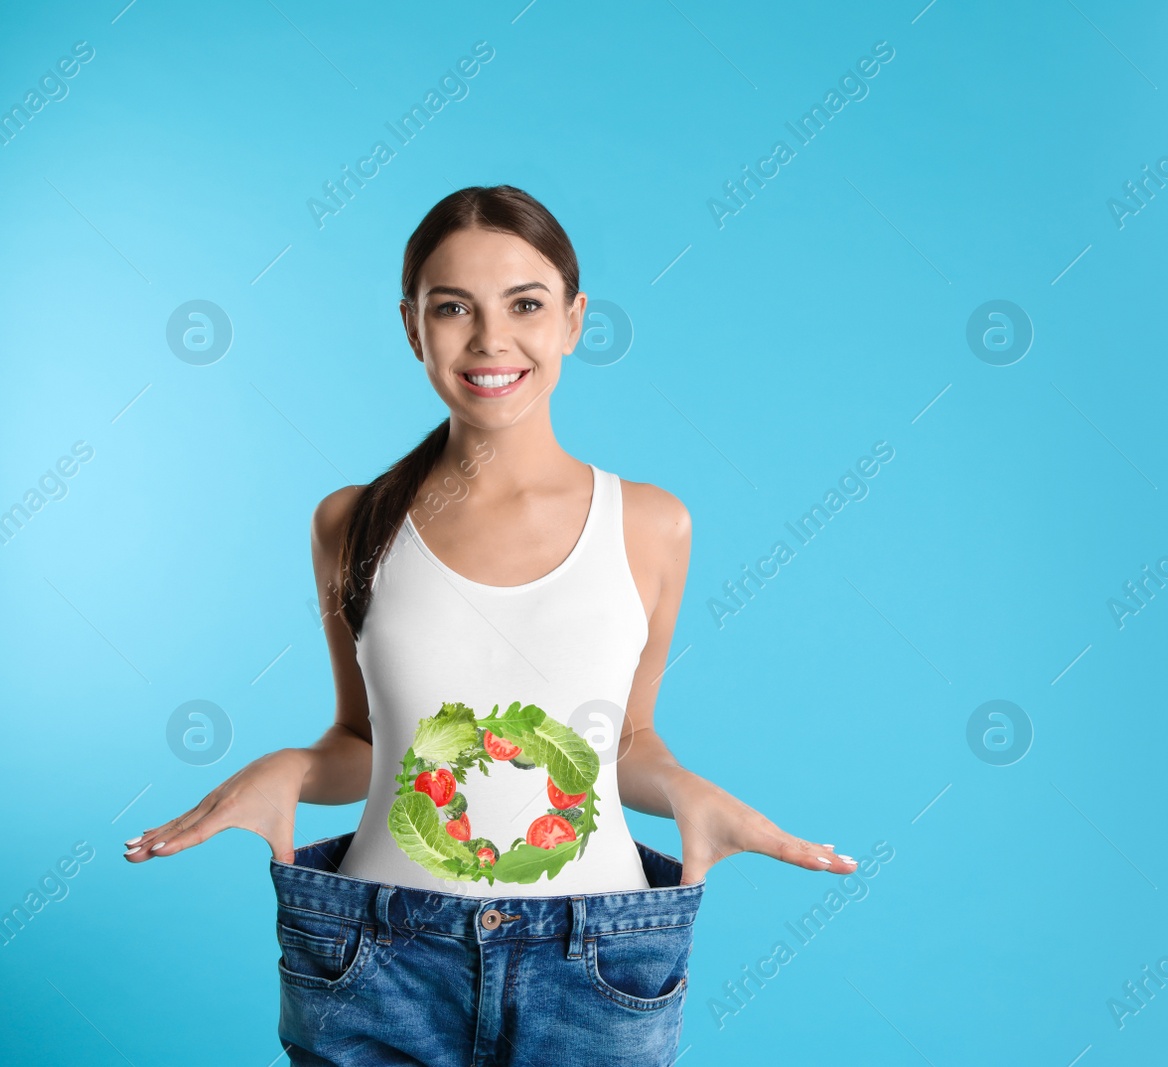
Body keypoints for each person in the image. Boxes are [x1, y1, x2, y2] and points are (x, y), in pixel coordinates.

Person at [122, 185, 857, 1065]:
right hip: (376, 958)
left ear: (575, 320)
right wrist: (284, 769)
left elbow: (624, 742)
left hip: (596, 965)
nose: (490, 340)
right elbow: (362, 739)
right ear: (411, 325)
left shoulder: (652, 524)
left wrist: (694, 792)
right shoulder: (348, 524)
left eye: (525, 305)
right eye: (453, 308)